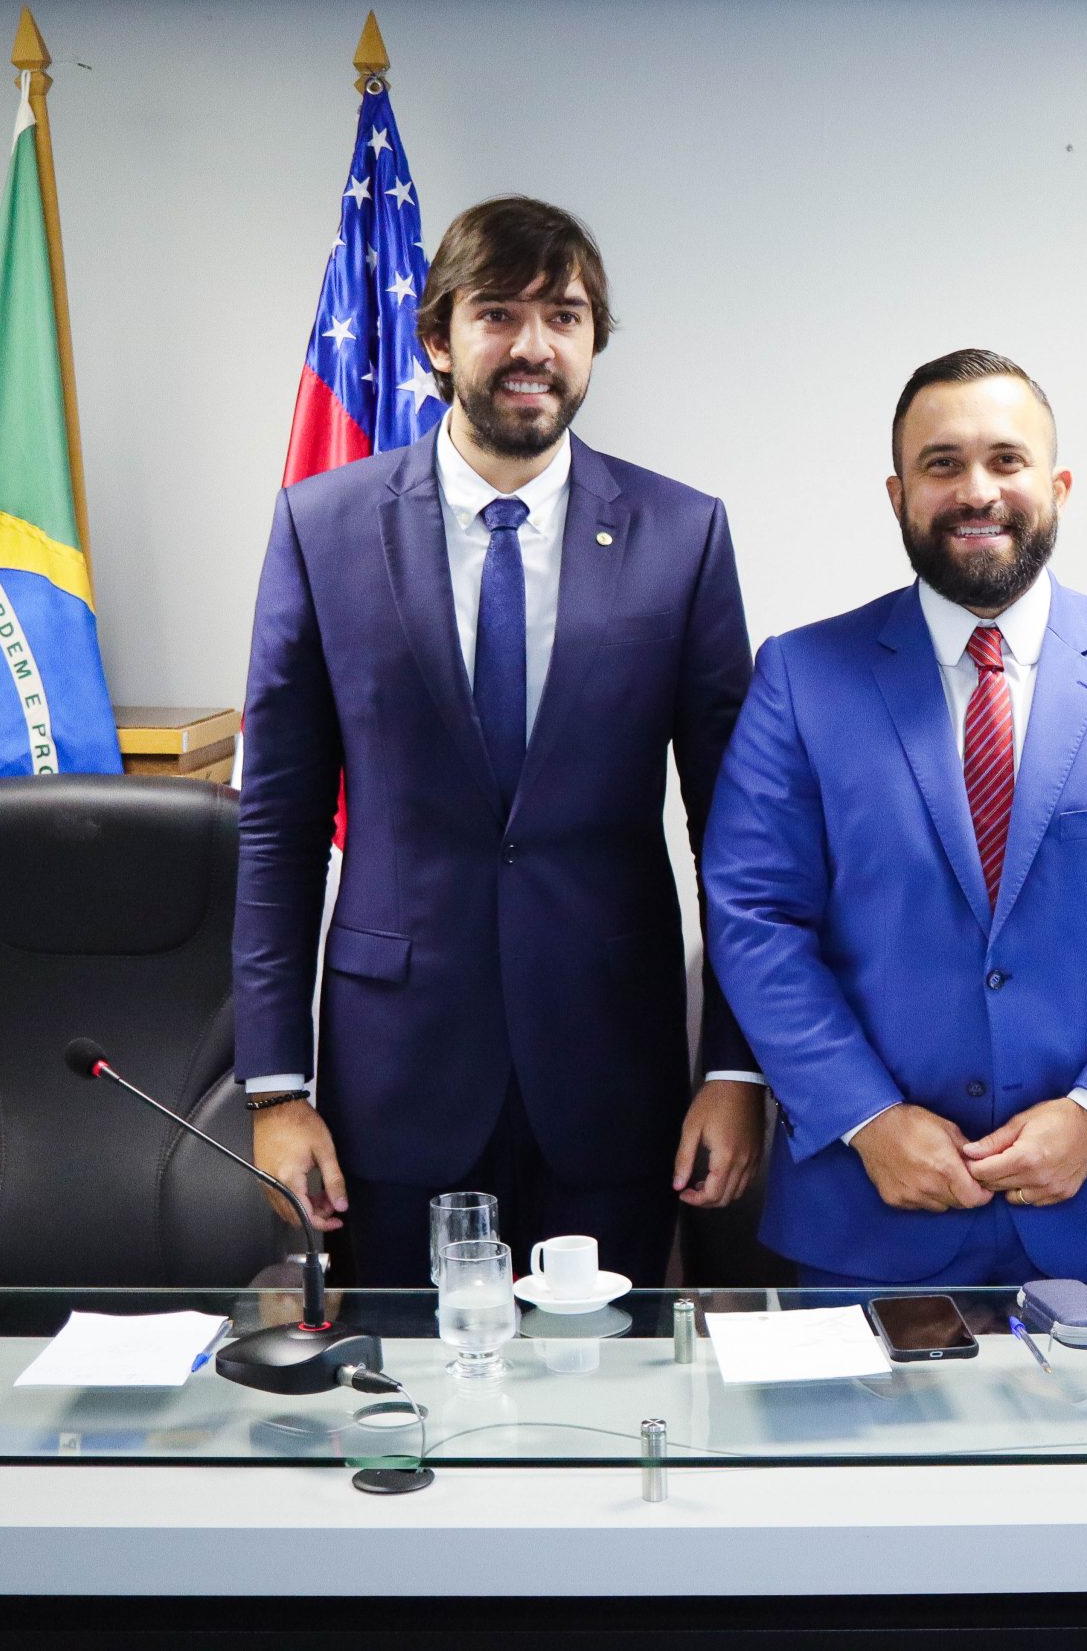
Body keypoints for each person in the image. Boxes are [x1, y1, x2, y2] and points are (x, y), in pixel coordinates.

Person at [234, 195, 766, 1288]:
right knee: (403, 1379)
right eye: (498, 314)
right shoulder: (322, 529)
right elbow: (277, 829)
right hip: (395, 1080)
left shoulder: (683, 536)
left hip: (613, 1076)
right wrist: (277, 1089)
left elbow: (739, 837)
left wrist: (733, 1069)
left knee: (610, 1380)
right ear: (438, 337)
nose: (535, 346)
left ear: (593, 341)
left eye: (564, 317)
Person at [703, 349, 1087, 1286]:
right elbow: (755, 918)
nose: (977, 490)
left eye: (1007, 460)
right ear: (898, 496)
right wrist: (868, 1119)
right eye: (943, 464)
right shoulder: (800, 678)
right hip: (868, 1214)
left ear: (1058, 486)